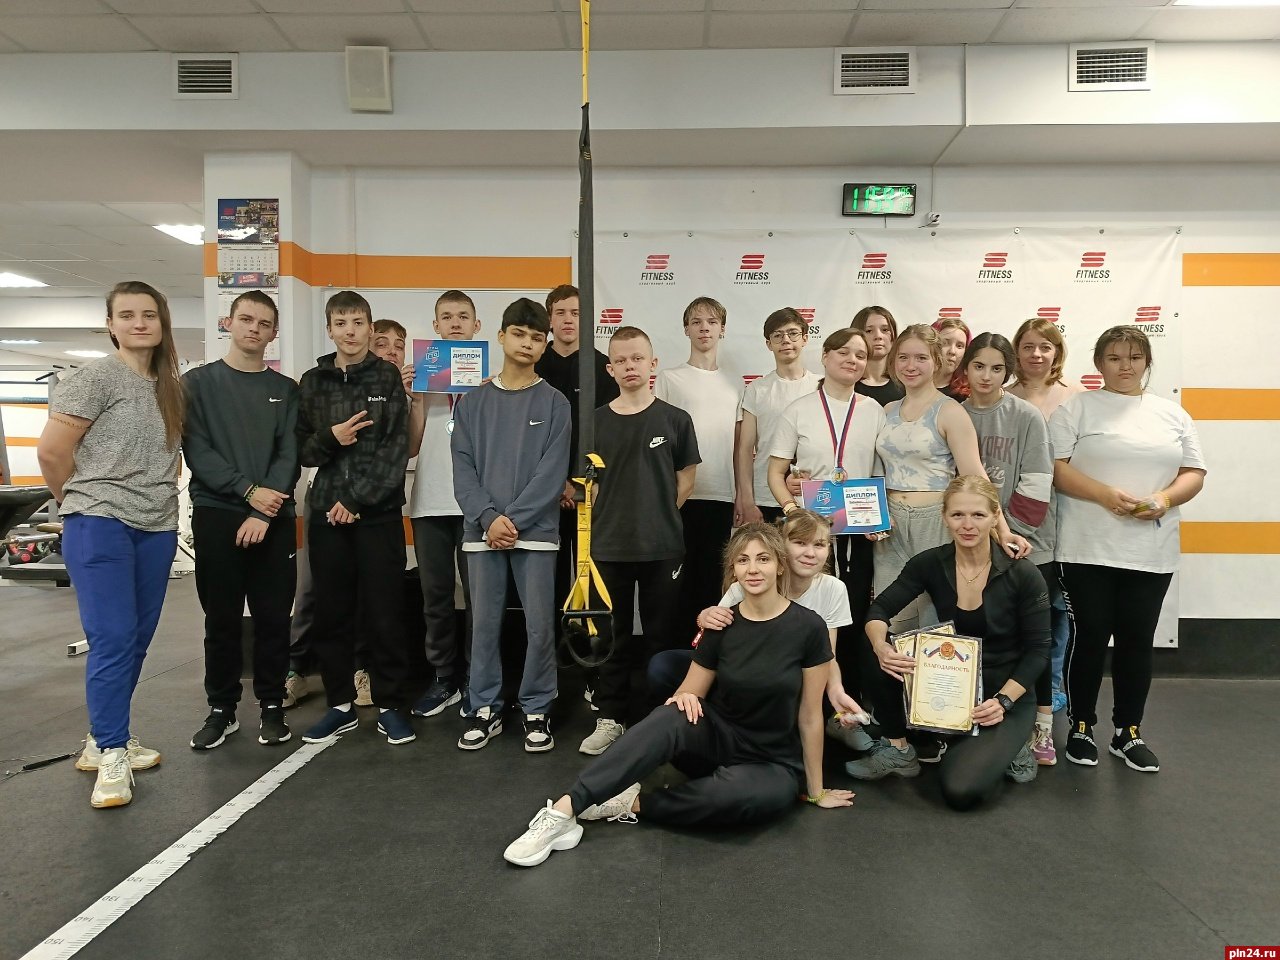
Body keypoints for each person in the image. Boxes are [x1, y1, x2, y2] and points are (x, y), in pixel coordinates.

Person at [502, 522, 853, 867]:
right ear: (733, 570)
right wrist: (684, 698)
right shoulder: (722, 623)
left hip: (771, 760)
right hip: (719, 740)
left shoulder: (809, 627)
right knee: (672, 714)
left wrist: (817, 791)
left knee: (765, 799)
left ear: (779, 566)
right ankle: (563, 810)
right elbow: (689, 691)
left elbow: (810, 715)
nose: (753, 569)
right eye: (743, 560)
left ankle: (629, 803)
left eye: (763, 559)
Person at [37, 280, 185, 808]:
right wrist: (80, 502)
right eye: (127, 315)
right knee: (113, 637)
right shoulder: (95, 377)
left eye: (148, 314)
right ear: (110, 325)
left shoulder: (170, 386)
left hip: (157, 525)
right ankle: (112, 752)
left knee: (136, 639)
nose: (139, 323)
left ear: (162, 323)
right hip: (100, 521)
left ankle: (101, 737)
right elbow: (52, 453)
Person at [1050, 326, 1205, 773]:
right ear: (1099, 363)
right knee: (1090, 637)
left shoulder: (1172, 414)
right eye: (1114, 358)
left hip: (1150, 551)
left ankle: (1128, 732)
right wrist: (1102, 494)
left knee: (1137, 641)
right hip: (1086, 548)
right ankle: (1081, 727)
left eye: (1134, 358)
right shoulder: (1076, 408)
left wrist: (1164, 499)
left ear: (1147, 363)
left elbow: (1194, 472)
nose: (1125, 366)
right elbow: (1055, 469)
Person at [848, 476, 1049, 809]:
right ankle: (900, 749)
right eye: (958, 515)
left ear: (994, 516)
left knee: (960, 790)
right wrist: (882, 647)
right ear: (944, 517)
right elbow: (879, 610)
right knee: (874, 648)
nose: (967, 525)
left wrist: (1004, 702)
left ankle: (1013, 745)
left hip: (1004, 693)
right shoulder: (930, 563)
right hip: (950, 683)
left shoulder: (1023, 573)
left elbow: (1039, 651)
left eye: (978, 515)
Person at [451, 299, 571, 752]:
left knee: (540, 626)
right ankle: (484, 706)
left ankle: (537, 707)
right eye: (519, 334)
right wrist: (488, 519)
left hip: (535, 535)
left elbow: (551, 473)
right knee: (484, 624)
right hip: (482, 533)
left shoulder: (555, 403)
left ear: (544, 345)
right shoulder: (472, 403)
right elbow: (463, 469)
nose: (527, 343)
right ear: (501, 336)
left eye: (537, 338)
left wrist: (512, 521)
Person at [182, 290, 300, 751]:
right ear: (228, 323)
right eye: (246, 319)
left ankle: (272, 706)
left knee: (273, 618)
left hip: (273, 518)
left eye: (264, 323)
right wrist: (248, 493)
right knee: (222, 619)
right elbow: (198, 450)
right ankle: (221, 709)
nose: (255, 328)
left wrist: (261, 510)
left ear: (274, 333)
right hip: (217, 513)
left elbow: (288, 454)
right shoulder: (196, 384)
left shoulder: (285, 389)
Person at [296, 290, 413, 746]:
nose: (350, 331)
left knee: (386, 614)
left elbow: (394, 450)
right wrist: (332, 437)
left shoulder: (386, 376)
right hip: (326, 513)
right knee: (332, 614)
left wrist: (357, 498)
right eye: (341, 323)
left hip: (377, 514)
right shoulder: (312, 381)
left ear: (370, 328)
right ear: (329, 329)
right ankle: (339, 705)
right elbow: (302, 449)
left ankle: (391, 705)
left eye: (358, 322)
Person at [583, 326, 699, 756]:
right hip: (608, 547)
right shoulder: (594, 422)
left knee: (660, 638)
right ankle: (610, 716)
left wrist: (657, 514)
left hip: (662, 547)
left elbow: (686, 478)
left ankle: (656, 720)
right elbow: (588, 486)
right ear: (610, 369)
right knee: (609, 638)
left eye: (638, 358)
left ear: (653, 364)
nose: (630, 366)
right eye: (621, 360)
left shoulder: (675, 419)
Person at [872, 324, 1029, 637]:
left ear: (936, 361)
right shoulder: (886, 410)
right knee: (896, 620)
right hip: (890, 525)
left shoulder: (950, 411)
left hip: (935, 520)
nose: (911, 365)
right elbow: (876, 471)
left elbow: (975, 475)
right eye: (903, 357)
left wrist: (1002, 530)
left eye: (921, 358)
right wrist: (874, 516)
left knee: (936, 621)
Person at [766, 328, 885, 737]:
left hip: (858, 535)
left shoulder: (874, 410)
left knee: (853, 616)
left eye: (861, 355)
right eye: (844, 352)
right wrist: (791, 510)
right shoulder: (799, 409)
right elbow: (775, 473)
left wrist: (877, 518)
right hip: (810, 537)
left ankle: (847, 710)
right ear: (826, 356)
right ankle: (801, 707)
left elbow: (880, 472)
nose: (853, 360)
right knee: (808, 616)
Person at [959, 333, 1057, 764]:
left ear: (1008, 371)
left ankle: (1042, 724)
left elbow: (1037, 481)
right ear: (965, 368)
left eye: (997, 368)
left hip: (1023, 544)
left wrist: (1007, 534)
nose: (986, 376)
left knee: (1032, 639)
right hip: (973, 543)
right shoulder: (954, 413)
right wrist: (980, 535)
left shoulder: (1026, 415)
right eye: (978, 366)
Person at [534, 284, 620, 670]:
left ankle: (594, 665)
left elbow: (612, 433)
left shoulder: (604, 369)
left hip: (593, 496)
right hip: (543, 496)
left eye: (577, 313)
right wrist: (555, 483)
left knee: (594, 579)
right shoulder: (534, 366)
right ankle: (548, 664)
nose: (569, 320)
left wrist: (586, 481)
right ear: (549, 319)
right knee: (547, 581)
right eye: (561, 312)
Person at [406, 291, 480, 719]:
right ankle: (443, 677)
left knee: (479, 598)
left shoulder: (489, 380)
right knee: (435, 596)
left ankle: (475, 678)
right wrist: (416, 399)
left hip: (475, 505)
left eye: (463, 317)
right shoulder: (423, 377)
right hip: (430, 501)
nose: (455, 323)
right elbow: (411, 447)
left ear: (476, 326)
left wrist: (487, 394)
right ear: (436, 326)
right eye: (447, 317)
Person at [1009, 317, 1084, 716]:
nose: (1036, 354)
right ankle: (1017, 682)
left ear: (1057, 352)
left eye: (1045, 346)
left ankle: (1052, 683)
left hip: (1067, 514)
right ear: (1016, 351)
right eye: (1028, 346)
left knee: (1057, 608)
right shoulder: (1003, 396)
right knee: (1021, 606)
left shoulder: (1077, 398)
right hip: (1017, 519)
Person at [654, 297, 739, 640]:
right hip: (679, 497)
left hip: (721, 495)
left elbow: (739, 446)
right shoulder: (669, 379)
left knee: (712, 583)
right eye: (697, 322)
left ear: (722, 329)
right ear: (686, 329)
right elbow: (658, 441)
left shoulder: (735, 383)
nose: (704, 328)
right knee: (676, 582)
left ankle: (705, 655)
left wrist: (742, 495)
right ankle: (672, 657)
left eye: (712, 322)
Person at [733, 307, 819, 526]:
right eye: (778, 335)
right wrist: (747, 500)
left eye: (793, 333)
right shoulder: (757, 389)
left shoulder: (822, 386)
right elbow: (745, 450)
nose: (786, 340)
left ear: (805, 338)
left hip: (815, 496)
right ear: (768, 343)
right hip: (766, 497)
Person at [850, 305, 904, 406]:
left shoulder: (906, 382)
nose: (878, 336)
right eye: (869, 331)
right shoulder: (846, 384)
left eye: (885, 330)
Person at [932, 316, 971, 401]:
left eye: (959, 346)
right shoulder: (909, 386)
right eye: (945, 343)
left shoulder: (967, 396)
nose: (952, 351)